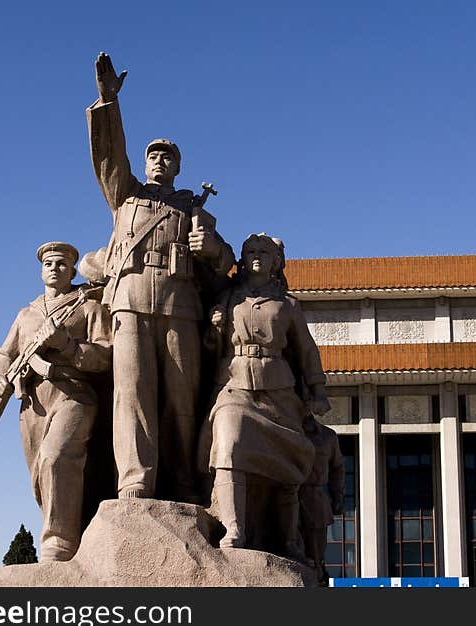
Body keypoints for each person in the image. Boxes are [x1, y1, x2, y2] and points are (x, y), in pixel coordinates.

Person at [87, 52, 235, 502]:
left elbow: (226, 260)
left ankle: (182, 484)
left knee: (180, 401)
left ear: (177, 168)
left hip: (179, 307)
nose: (157, 160)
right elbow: (109, 157)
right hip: (130, 300)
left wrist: (210, 248)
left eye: (166, 157)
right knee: (131, 394)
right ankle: (135, 481)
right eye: (152, 155)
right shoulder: (126, 196)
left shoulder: (193, 209)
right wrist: (108, 103)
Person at [202, 233, 330, 560]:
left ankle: (288, 539)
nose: (257, 255)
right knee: (229, 444)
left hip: (278, 391)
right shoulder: (229, 298)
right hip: (235, 386)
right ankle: (234, 527)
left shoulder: (287, 305)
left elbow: (306, 350)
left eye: (264, 251)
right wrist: (214, 330)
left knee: (288, 461)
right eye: (251, 250)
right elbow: (207, 351)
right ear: (242, 259)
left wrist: (316, 390)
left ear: (276, 261)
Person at [0, 242, 112, 561]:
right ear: (41, 271)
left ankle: (59, 541)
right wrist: (0, 376)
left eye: (61, 264)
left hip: (74, 393)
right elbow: (3, 353)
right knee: (39, 472)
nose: (55, 268)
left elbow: (105, 355)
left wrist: (68, 346)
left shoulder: (87, 306)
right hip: (32, 401)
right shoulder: (26, 314)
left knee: (57, 456)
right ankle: (65, 525)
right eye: (49, 264)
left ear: (72, 270)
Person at [299, 415, 345, 585]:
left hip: (315, 498)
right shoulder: (286, 430)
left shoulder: (327, 436)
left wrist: (338, 496)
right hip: (287, 496)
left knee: (315, 552)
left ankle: (317, 577)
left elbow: (337, 466)